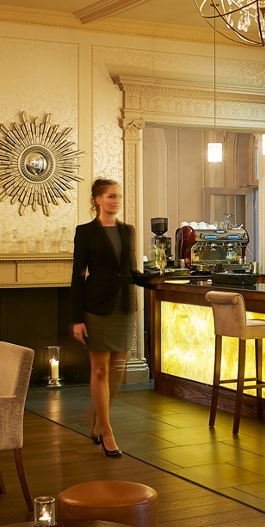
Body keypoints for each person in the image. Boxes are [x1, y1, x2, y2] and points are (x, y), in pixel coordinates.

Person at [70, 178, 157, 457]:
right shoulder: (85, 232)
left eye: (118, 196)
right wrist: (76, 318)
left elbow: (129, 271)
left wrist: (156, 280)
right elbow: (77, 276)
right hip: (96, 306)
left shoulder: (127, 231)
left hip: (124, 305)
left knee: (118, 369)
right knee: (100, 370)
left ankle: (99, 419)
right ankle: (107, 431)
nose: (116, 200)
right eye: (110, 196)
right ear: (97, 200)